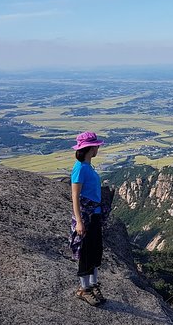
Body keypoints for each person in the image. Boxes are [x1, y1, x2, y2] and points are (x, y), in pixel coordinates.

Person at [70, 131, 106, 306]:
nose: (98, 148)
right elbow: (75, 196)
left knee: (95, 251)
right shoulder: (79, 169)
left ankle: (92, 284)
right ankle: (84, 289)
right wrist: (79, 221)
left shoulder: (87, 167)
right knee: (85, 253)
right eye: (96, 146)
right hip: (86, 216)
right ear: (90, 148)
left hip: (95, 215)